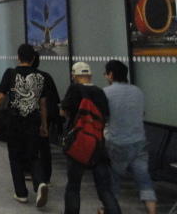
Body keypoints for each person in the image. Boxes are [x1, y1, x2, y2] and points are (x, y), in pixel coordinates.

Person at [0, 44, 49, 207]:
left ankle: (21, 193)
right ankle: (40, 183)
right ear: (33, 58)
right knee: (34, 155)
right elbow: (43, 104)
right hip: (33, 119)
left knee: (15, 156)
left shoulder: (10, 73)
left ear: (18, 57)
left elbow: (0, 97)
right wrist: (44, 125)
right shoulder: (40, 76)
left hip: (14, 120)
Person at [61, 62, 121, 214]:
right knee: (104, 188)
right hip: (98, 144)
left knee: (73, 186)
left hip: (79, 143)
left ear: (74, 76)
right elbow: (105, 115)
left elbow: (64, 112)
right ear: (90, 76)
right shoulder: (99, 92)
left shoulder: (74, 89)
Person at [102, 60, 157, 214]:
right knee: (144, 180)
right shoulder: (137, 91)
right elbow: (141, 113)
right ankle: (152, 211)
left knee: (113, 181)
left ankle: (109, 209)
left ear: (111, 74)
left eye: (106, 73)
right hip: (139, 141)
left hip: (117, 143)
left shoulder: (105, 92)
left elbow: (104, 116)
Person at [32, 51, 61, 184]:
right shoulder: (46, 76)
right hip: (46, 115)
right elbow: (55, 98)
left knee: (29, 146)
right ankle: (45, 176)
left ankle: (32, 173)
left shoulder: (21, 76)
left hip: (29, 117)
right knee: (44, 146)